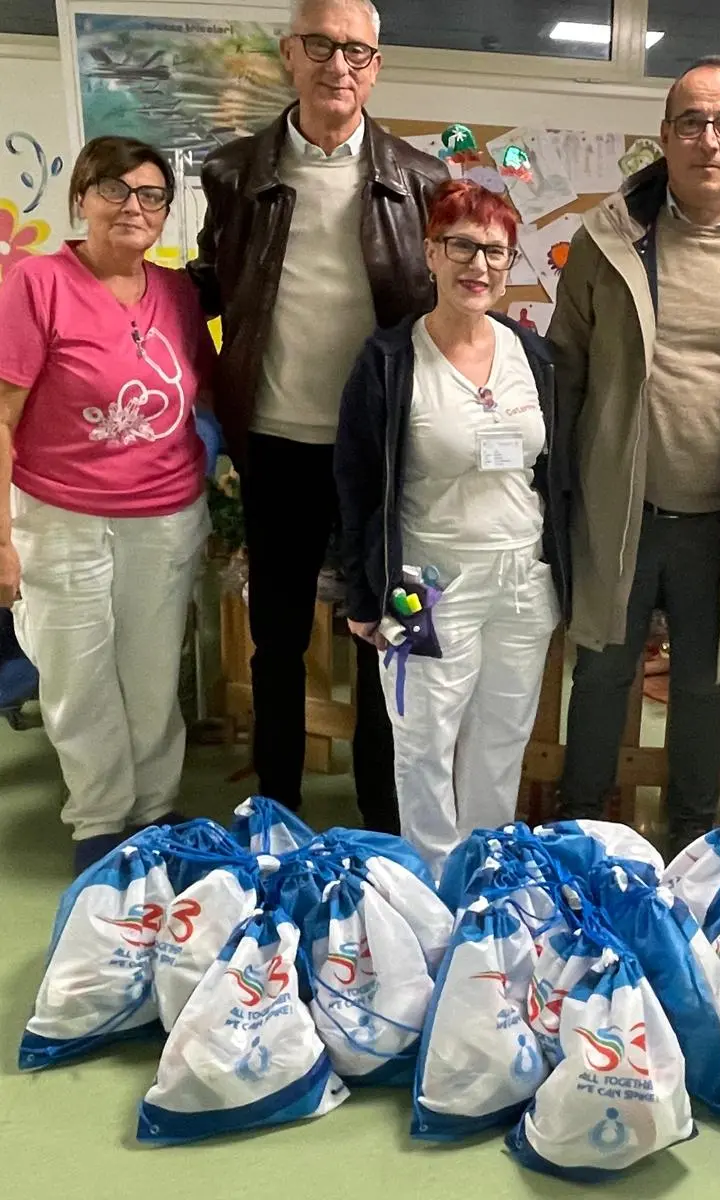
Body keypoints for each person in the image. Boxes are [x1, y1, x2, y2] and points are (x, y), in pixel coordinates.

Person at [549, 55, 720, 857]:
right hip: (618, 510)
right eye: (692, 123)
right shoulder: (607, 241)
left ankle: (693, 841)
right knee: (600, 673)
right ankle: (580, 831)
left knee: (708, 685)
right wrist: (560, 498)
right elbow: (565, 374)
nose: (709, 139)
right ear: (665, 138)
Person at [189, 0, 448, 830]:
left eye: (358, 52)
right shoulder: (235, 172)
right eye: (322, 46)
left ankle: (381, 817)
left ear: (378, 65)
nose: (340, 66)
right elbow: (209, 280)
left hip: (386, 452)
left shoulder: (422, 180)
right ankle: (278, 809)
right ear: (289, 55)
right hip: (277, 444)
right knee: (275, 640)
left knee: (389, 637)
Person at [334, 180, 566, 875]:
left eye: (495, 250)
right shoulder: (390, 361)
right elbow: (355, 483)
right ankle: (432, 889)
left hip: (521, 582)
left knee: (501, 738)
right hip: (422, 583)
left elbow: (553, 473)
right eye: (461, 245)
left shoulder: (534, 356)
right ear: (430, 252)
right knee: (424, 739)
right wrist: (362, 595)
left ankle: (485, 880)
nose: (479, 264)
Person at [0, 136, 216, 872]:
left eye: (151, 195)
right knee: (78, 677)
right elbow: (2, 418)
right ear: (81, 198)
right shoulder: (37, 283)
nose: (133, 206)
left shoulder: (179, 294)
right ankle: (99, 822)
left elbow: (204, 395)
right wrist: (0, 539)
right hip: (63, 518)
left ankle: (154, 812)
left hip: (164, 516)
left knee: (153, 675)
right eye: (115, 190)